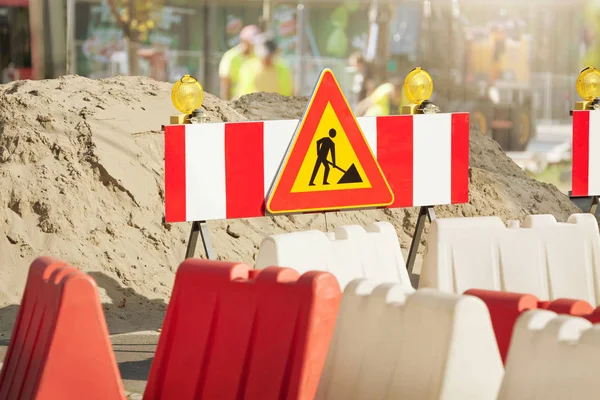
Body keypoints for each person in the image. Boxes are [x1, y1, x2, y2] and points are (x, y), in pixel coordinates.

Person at [235, 34, 293, 98]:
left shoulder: (283, 69)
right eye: (264, 56)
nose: (266, 59)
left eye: (269, 56)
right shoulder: (249, 67)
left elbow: (288, 93)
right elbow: (243, 92)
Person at [218, 24, 260, 100]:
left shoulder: (258, 56)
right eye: (249, 42)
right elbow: (225, 84)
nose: (252, 45)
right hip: (236, 101)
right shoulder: (231, 57)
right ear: (243, 40)